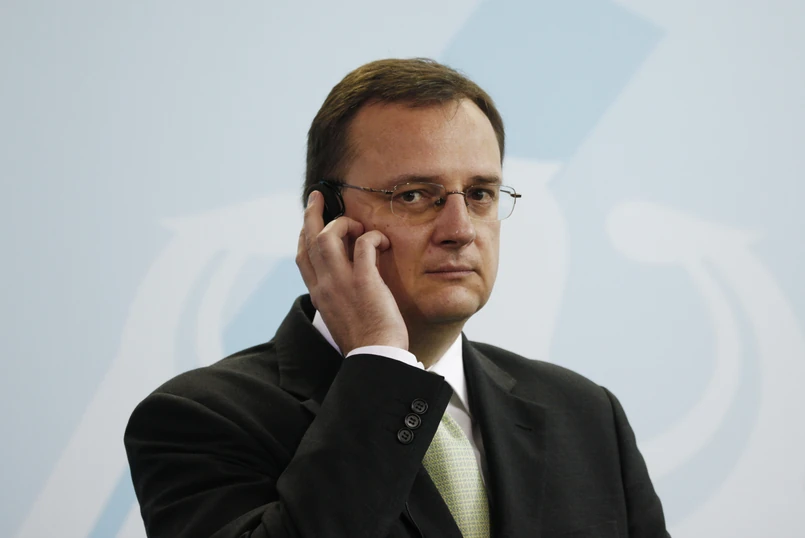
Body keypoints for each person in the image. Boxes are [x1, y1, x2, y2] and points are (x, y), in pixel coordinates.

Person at [124, 58, 669, 538]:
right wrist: (381, 362)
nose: (461, 230)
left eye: (480, 194)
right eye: (414, 195)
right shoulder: (198, 419)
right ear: (325, 218)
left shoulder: (585, 414)